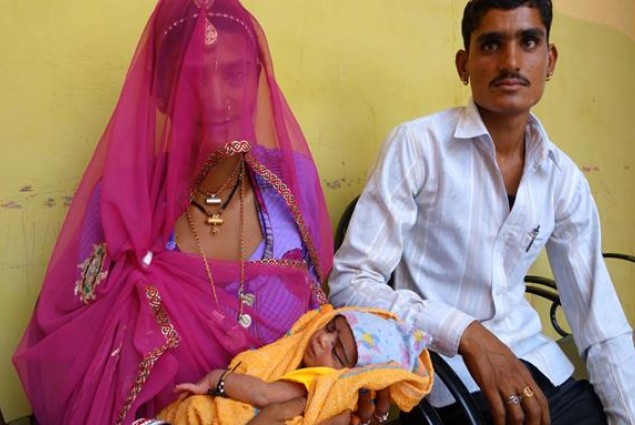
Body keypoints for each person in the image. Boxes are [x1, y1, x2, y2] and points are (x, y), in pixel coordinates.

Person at [12, 1, 334, 424]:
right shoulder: (123, 204)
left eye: (234, 75)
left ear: (256, 80)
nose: (215, 99)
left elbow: (324, 329)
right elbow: (82, 363)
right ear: (161, 94)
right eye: (191, 79)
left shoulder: (292, 184)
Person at [328, 1, 635, 424]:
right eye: (491, 44)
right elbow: (350, 283)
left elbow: (601, 324)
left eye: (528, 41)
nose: (511, 61)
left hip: (543, 370)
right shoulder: (417, 147)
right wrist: (466, 333)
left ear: (550, 60)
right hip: (449, 387)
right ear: (464, 64)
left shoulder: (563, 179)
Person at [156, 305, 433, 425]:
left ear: (354, 377)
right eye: (330, 328)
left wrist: (216, 379)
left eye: (337, 352)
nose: (323, 340)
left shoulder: (318, 380)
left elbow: (263, 394)